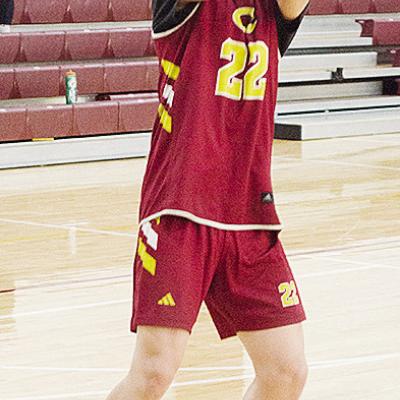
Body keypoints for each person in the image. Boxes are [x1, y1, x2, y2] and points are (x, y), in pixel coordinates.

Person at [106, 0, 310, 398]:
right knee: (154, 372)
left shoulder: (276, 9)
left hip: (251, 215)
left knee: (286, 371)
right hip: (180, 210)